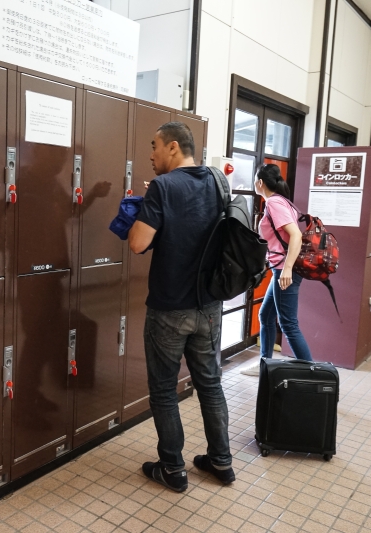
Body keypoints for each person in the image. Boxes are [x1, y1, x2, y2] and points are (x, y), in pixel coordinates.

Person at [128, 122, 235, 492]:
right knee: (210, 383)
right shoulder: (219, 181)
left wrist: (147, 207)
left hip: (170, 308)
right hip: (209, 306)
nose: (151, 154)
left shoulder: (162, 187)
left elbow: (138, 244)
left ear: (173, 147)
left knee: (162, 389)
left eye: (155, 146)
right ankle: (221, 460)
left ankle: (173, 468)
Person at [241, 163, 312, 377]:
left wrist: (288, 268)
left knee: (288, 324)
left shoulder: (274, 203)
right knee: (266, 314)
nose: (254, 182)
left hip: (285, 269)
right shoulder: (281, 201)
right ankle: (265, 365)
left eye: (255, 179)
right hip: (280, 268)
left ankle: (313, 375)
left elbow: (296, 236)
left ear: (260, 182)